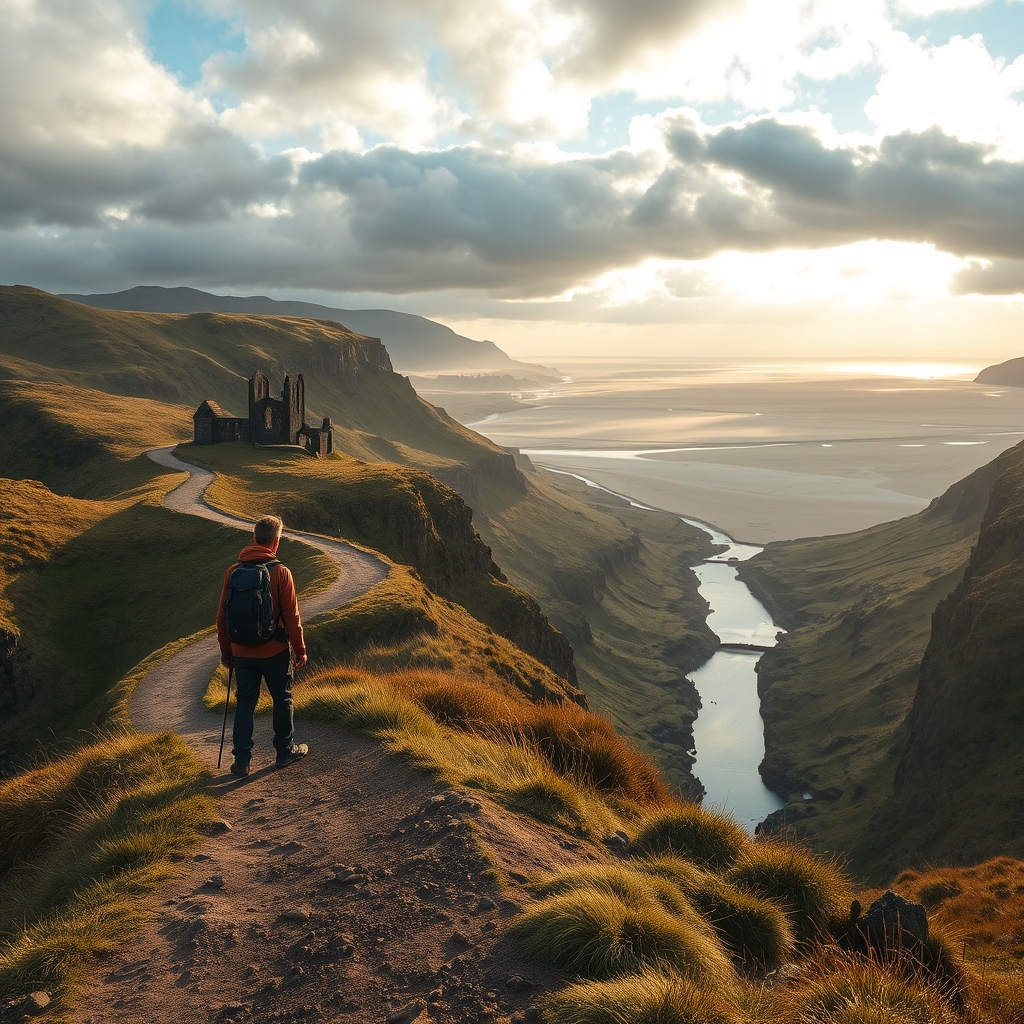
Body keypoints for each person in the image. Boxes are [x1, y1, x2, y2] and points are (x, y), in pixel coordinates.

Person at [216, 514, 309, 777]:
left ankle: (242, 761)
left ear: (255, 538)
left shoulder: (233, 572)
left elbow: (222, 617)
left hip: (241, 652)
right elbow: (292, 617)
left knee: (245, 702)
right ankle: (284, 751)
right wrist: (300, 650)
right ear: (276, 542)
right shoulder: (281, 572)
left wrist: (227, 651)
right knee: (282, 697)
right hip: (275, 651)